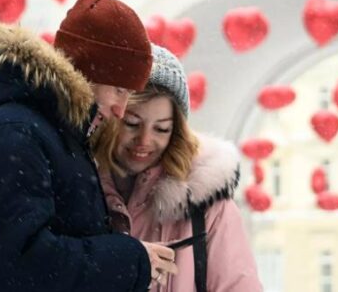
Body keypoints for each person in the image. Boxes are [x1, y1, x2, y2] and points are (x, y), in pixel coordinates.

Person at [0, 0, 177, 291]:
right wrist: (130, 260)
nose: (120, 111)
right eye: (119, 90)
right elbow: (19, 264)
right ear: (89, 72)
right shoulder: (17, 133)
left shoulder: (50, 133)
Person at [92, 45, 263, 292]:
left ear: (176, 132)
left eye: (161, 128)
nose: (144, 141)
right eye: (131, 124)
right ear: (112, 117)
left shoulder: (206, 206)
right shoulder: (80, 190)